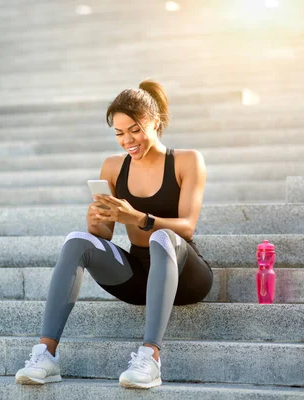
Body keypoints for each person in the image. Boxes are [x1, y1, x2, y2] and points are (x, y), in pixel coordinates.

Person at [15, 79, 213, 389]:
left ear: (155, 121)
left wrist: (137, 217)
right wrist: (95, 219)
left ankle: (150, 358)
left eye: (135, 129)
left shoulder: (186, 161)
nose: (128, 140)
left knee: (161, 237)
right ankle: (46, 355)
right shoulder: (112, 166)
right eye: (120, 133)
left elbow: (187, 226)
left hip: (185, 272)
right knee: (77, 239)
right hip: (138, 278)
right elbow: (103, 234)